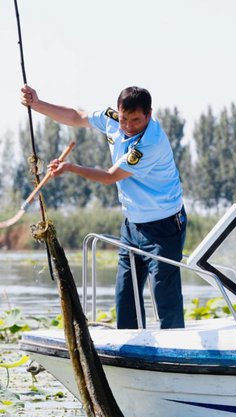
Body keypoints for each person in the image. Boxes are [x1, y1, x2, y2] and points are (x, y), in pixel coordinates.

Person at [20, 84, 186, 329]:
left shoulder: (150, 143)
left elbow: (110, 177)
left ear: (149, 115)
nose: (128, 126)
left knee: (165, 297)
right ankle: (130, 346)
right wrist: (37, 103)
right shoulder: (112, 119)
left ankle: (174, 345)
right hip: (132, 224)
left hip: (164, 225)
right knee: (125, 297)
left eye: (136, 120)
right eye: (124, 119)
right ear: (118, 111)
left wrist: (71, 168)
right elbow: (76, 117)